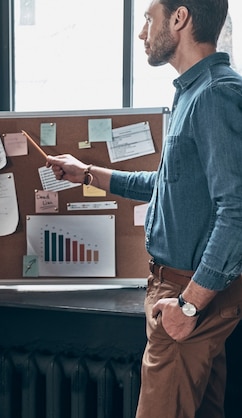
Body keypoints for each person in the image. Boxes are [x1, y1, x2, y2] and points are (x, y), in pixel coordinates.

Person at [46, 1, 242, 416]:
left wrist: (188, 305)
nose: (142, 33)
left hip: (189, 293)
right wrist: (86, 173)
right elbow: (171, 189)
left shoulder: (214, 95)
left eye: (149, 18)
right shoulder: (194, 94)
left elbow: (237, 212)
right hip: (188, 291)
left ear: (179, 18)